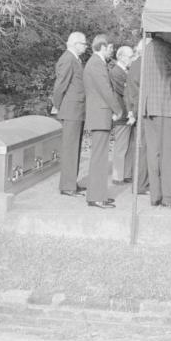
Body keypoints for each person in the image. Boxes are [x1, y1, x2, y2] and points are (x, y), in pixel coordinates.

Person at [141, 32, 171, 207]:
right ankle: (167, 196)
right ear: (163, 32)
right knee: (169, 154)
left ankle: (155, 195)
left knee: (153, 153)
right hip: (166, 106)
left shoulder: (147, 48)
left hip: (149, 106)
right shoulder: (168, 48)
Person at [83, 34, 123, 209]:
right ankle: (96, 197)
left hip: (99, 114)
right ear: (103, 46)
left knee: (99, 157)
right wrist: (118, 109)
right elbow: (106, 91)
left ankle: (97, 195)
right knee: (99, 158)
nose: (111, 51)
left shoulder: (95, 63)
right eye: (111, 48)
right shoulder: (96, 63)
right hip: (100, 115)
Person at [52, 32, 89, 196]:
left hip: (75, 110)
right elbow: (60, 85)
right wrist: (57, 105)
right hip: (71, 110)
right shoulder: (68, 59)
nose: (86, 46)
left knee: (74, 148)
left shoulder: (74, 59)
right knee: (70, 149)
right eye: (83, 44)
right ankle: (67, 186)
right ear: (75, 43)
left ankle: (71, 183)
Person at [124, 39, 149, 194]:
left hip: (136, 110)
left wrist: (131, 110)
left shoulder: (135, 64)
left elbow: (130, 91)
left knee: (139, 148)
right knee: (143, 149)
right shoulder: (143, 65)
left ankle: (139, 183)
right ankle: (140, 185)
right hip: (142, 111)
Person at [109, 45, 135, 185]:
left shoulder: (125, 71)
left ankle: (126, 173)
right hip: (122, 113)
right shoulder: (116, 72)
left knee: (129, 145)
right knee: (121, 146)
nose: (132, 59)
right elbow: (126, 92)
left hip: (128, 113)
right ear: (121, 57)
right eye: (130, 56)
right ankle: (118, 176)